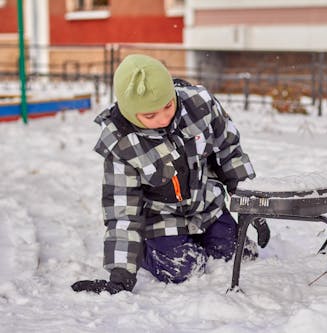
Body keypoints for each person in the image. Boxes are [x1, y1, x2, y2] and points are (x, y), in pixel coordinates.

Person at [72, 54, 270, 294]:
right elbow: (123, 211)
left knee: (236, 254)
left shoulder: (201, 106)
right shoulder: (122, 144)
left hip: (206, 206)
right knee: (183, 269)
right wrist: (121, 273)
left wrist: (254, 206)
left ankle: (204, 237)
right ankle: (146, 250)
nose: (164, 118)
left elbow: (229, 153)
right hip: (162, 218)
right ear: (130, 113)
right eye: (150, 116)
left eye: (167, 106)